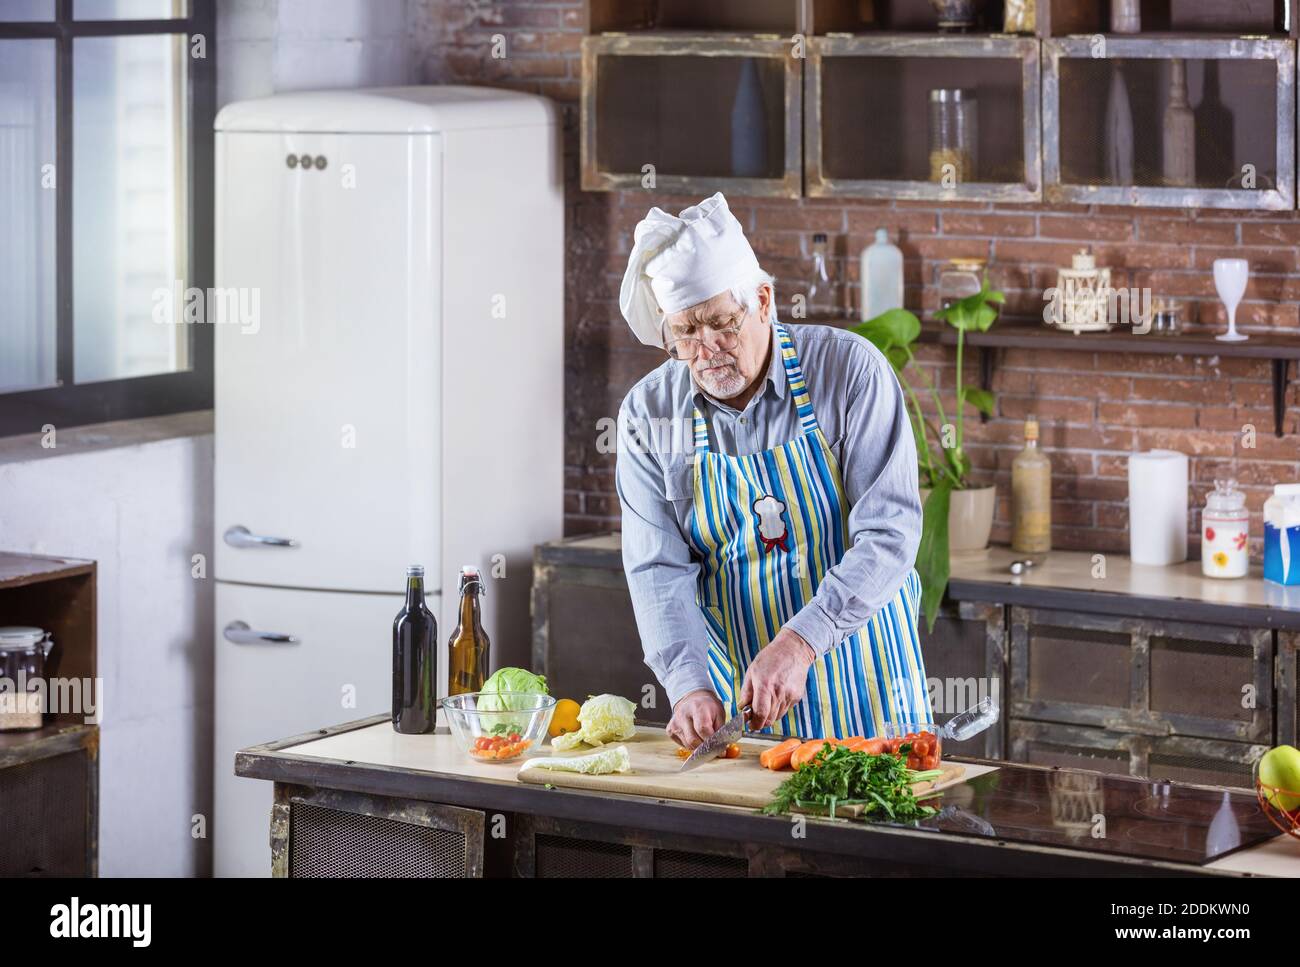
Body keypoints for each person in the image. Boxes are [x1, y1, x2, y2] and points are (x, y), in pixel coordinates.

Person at [615, 192, 932, 749]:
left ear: (763, 300)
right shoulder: (649, 414)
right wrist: (687, 685)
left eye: (721, 324)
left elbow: (889, 535)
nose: (706, 350)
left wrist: (800, 643)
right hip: (744, 706)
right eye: (684, 334)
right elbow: (656, 567)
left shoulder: (850, 372)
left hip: (870, 686)